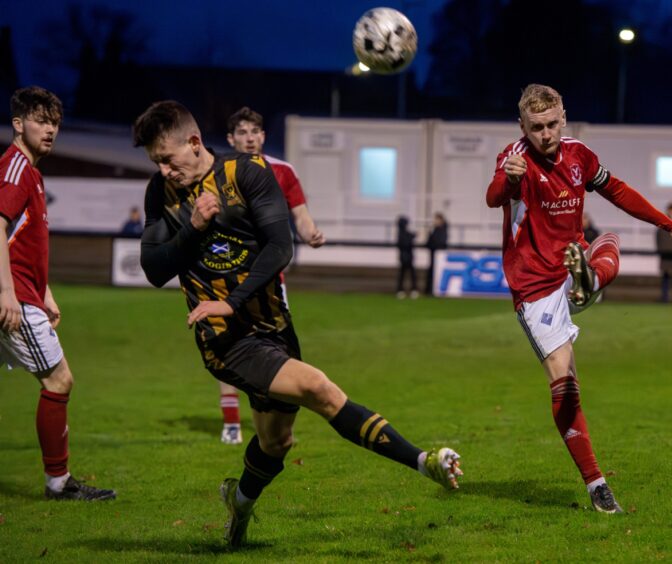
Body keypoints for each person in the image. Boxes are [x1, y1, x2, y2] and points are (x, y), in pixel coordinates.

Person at [133, 101, 461, 547]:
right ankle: (426, 462)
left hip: (273, 325)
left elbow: (280, 248)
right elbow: (153, 269)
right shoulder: (161, 192)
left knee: (276, 443)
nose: (164, 170)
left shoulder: (247, 173)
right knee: (320, 390)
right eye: (156, 162)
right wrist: (192, 229)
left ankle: (240, 502)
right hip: (226, 342)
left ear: (193, 143)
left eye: (167, 159)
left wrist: (233, 300)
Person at [485, 84, 672, 514]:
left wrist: (669, 225)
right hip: (535, 286)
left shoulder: (580, 155)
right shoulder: (514, 158)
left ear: (563, 118)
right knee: (565, 384)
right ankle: (597, 487)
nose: (544, 134)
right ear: (522, 126)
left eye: (551, 125)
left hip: (572, 265)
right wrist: (509, 179)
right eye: (535, 127)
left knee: (610, 239)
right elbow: (492, 198)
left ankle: (589, 280)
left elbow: (616, 190)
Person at [0, 86, 115, 501]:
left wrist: (44, 291)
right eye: (40, 121)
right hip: (12, 298)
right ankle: (58, 483)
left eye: (55, 123)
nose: (50, 130)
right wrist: (8, 293)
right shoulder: (15, 168)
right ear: (18, 124)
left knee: (58, 380)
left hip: (26, 293)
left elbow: (22, 240)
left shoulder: (31, 171)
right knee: (59, 380)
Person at [216, 106, 326, 445]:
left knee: (279, 350)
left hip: (270, 279)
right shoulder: (218, 173)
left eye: (255, 132)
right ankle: (232, 422)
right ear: (231, 139)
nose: (249, 138)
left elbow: (301, 215)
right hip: (226, 275)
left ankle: (278, 424)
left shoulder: (282, 171)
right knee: (227, 345)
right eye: (242, 133)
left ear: (263, 136)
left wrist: (310, 233)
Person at [424, 212, 448, 295]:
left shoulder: (442, 230)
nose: (435, 221)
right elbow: (428, 243)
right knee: (431, 272)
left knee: (436, 273)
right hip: (433, 255)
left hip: (438, 256)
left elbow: (441, 243)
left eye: (436, 219)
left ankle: (434, 290)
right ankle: (429, 290)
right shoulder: (434, 230)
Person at [396, 215, 418, 299]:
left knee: (406, 274)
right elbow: (407, 241)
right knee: (406, 274)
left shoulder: (402, 233)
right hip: (406, 256)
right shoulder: (402, 234)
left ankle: (405, 290)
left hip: (406, 256)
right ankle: (405, 290)